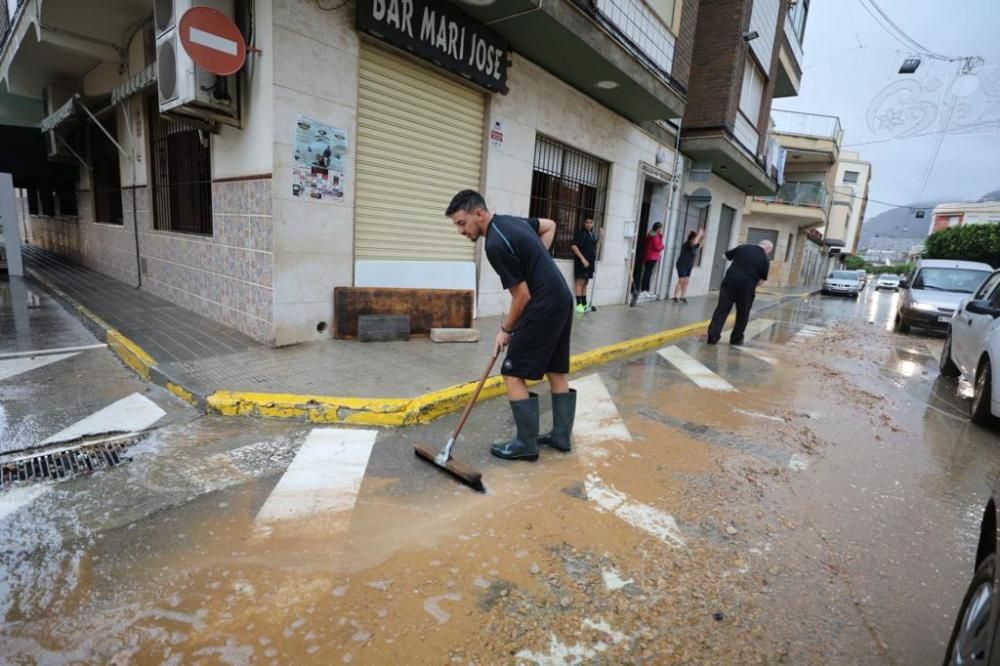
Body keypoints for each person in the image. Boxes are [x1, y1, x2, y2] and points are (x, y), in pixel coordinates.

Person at [447, 190, 577, 461]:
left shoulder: (494, 244)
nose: (460, 231)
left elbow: (522, 295)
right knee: (555, 369)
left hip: (542, 303)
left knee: (512, 371)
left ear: (479, 214)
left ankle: (525, 444)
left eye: (461, 223)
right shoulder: (512, 222)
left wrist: (505, 329)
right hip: (562, 298)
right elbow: (549, 225)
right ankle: (561, 436)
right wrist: (536, 264)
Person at [706, 240, 772, 346]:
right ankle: (736, 339)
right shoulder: (765, 259)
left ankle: (712, 336)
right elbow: (762, 280)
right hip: (747, 286)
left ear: (759, 244)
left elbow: (725, 256)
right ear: (768, 249)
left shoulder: (743, 247)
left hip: (730, 282)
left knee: (722, 309)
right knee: (743, 313)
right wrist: (751, 284)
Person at [570, 218, 598, 313]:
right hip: (582, 262)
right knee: (580, 282)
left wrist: (601, 237)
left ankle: (584, 304)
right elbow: (573, 246)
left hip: (590, 263)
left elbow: (594, 247)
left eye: (591, 222)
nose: (589, 224)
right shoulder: (580, 233)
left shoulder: (592, 235)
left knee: (585, 283)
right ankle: (579, 305)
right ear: (583, 223)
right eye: (587, 222)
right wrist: (582, 259)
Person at [672, 228, 704, 304]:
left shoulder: (694, 245)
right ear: (692, 238)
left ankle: (682, 297)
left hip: (689, 265)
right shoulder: (688, 244)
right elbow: (695, 242)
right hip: (682, 264)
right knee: (681, 280)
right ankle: (675, 297)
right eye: (695, 238)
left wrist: (702, 237)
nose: (696, 240)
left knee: (686, 281)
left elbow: (700, 245)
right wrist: (699, 234)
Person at [638, 222, 665, 298]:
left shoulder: (654, 235)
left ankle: (646, 290)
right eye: (660, 228)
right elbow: (657, 247)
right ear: (657, 228)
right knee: (647, 273)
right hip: (651, 257)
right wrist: (662, 246)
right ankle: (644, 290)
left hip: (651, 256)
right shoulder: (654, 236)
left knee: (648, 273)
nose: (660, 230)